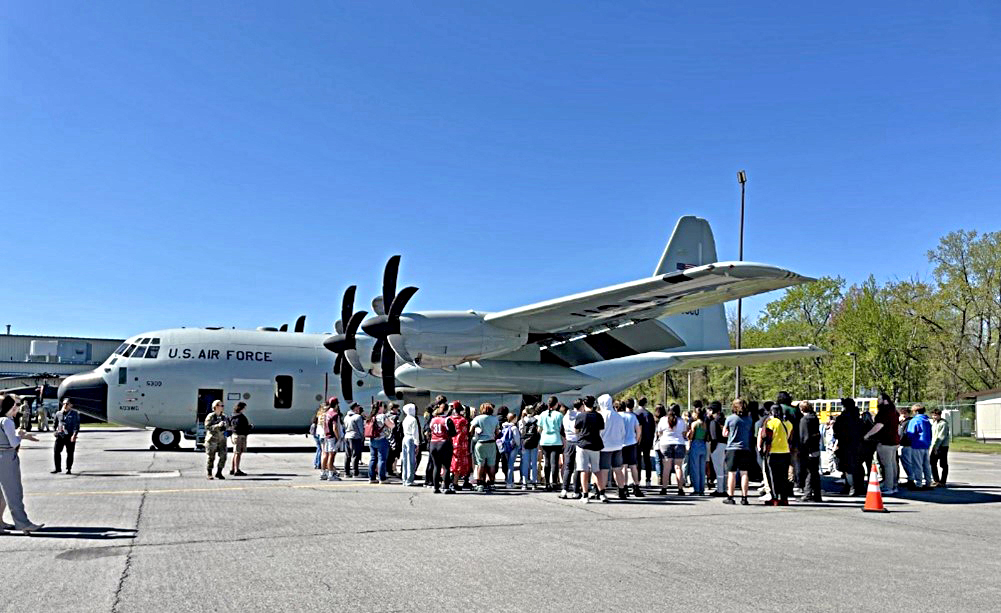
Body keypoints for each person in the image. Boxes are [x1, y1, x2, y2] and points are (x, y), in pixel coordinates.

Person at [0, 395, 43, 534]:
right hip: (6, 457)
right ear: (11, 406)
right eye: (17, 405)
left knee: (2, 494)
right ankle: (23, 523)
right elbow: (14, 443)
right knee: (14, 492)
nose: (18, 408)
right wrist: (21, 435)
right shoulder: (7, 421)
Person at [866, 394, 900, 495]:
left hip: (885, 441)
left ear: (884, 400)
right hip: (894, 441)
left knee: (887, 465)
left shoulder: (884, 411)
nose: (878, 401)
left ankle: (888, 487)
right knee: (893, 464)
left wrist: (868, 434)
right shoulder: (894, 411)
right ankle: (894, 485)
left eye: (879, 399)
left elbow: (879, 425)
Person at [574, 395, 606, 503]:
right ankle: (602, 493)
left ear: (584, 404)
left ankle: (585, 495)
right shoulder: (598, 416)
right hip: (595, 444)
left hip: (583, 444)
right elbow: (601, 429)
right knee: (596, 470)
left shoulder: (581, 416)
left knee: (584, 470)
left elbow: (576, 430)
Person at [759, 403, 793, 505]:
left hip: (773, 452)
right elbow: (790, 439)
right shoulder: (788, 423)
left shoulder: (771, 423)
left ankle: (774, 498)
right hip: (785, 452)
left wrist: (764, 451)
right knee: (783, 477)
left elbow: (767, 438)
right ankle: (784, 498)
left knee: (772, 477)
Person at [722, 398, 753, 505]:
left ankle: (730, 497)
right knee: (744, 473)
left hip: (732, 448)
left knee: (732, 473)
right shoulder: (749, 419)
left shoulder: (730, 418)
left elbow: (724, 433)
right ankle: (744, 497)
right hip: (745, 448)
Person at [597, 394, 628, 499]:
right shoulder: (618, 416)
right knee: (618, 469)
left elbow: (600, 432)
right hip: (618, 446)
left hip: (605, 447)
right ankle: (622, 490)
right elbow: (623, 432)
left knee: (604, 470)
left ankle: (602, 491)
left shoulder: (601, 416)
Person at [833, 398, 865, 496]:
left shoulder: (843, 418)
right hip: (858, 445)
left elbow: (837, 430)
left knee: (847, 467)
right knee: (858, 466)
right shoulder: (858, 417)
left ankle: (851, 487)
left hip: (846, 444)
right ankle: (859, 486)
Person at [656, 404, 688, 496]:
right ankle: (680, 489)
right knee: (678, 467)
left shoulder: (663, 420)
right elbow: (684, 434)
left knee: (666, 467)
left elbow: (659, 432)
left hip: (665, 443)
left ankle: (664, 488)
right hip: (679, 443)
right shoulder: (681, 421)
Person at [470, 403, 500, 493]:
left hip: (480, 443)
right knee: (491, 464)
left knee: (480, 464)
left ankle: (480, 484)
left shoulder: (478, 418)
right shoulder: (495, 419)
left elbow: (470, 430)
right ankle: (491, 483)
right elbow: (497, 432)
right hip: (491, 443)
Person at [618, 399, 644, 497]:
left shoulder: (619, 416)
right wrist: (636, 440)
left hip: (621, 443)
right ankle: (636, 486)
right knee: (633, 466)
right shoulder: (633, 416)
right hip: (632, 442)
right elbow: (638, 430)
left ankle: (624, 487)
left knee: (623, 466)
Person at [798, 400, 823, 502]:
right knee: (815, 472)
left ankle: (807, 494)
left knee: (808, 472)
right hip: (815, 447)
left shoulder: (804, 420)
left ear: (802, 409)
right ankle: (817, 494)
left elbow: (804, 437)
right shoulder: (815, 418)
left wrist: (802, 448)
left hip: (807, 449)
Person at [428, 405, 457, 493]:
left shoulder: (433, 419)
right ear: (446, 410)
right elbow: (453, 433)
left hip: (433, 443)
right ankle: (446, 487)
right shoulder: (447, 420)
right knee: (446, 466)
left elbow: (430, 430)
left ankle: (436, 487)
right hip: (444, 443)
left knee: (436, 466)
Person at [538, 397, 564, 492]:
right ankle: (554, 483)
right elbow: (561, 428)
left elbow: (539, 429)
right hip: (556, 440)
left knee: (547, 462)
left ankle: (547, 483)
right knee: (554, 463)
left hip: (545, 440)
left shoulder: (542, 414)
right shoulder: (559, 415)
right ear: (556, 404)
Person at [559, 400, 582, 499]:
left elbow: (562, 430)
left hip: (569, 442)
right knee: (577, 467)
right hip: (578, 442)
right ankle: (576, 491)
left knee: (568, 467)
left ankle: (564, 490)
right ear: (581, 406)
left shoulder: (565, 417)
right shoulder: (580, 416)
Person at [366, 402, 394, 484]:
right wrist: (391, 421)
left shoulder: (371, 416)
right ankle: (382, 478)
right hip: (382, 439)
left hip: (372, 439)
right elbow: (392, 425)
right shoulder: (382, 416)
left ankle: (372, 477)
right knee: (382, 459)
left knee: (373, 458)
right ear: (380, 407)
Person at [906, 404, 933, 489]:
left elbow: (910, 433)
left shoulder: (914, 420)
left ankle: (919, 484)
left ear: (916, 411)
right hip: (926, 445)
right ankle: (928, 482)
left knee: (917, 465)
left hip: (917, 444)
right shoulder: (927, 420)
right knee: (926, 465)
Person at [52, 398, 80, 474]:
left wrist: (74, 435)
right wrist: (55, 431)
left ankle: (69, 468)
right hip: (60, 435)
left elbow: (76, 426)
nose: (65, 405)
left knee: (70, 452)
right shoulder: (58, 413)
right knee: (56, 451)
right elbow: (54, 424)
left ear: (71, 405)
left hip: (69, 435)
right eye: (64, 404)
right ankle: (57, 468)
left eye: (67, 404)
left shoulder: (74, 414)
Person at [634, 397, 656, 487]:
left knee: (637, 460)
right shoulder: (649, 414)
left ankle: (637, 479)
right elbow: (653, 429)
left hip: (637, 440)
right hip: (647, 439)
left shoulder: (635, 414)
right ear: (645, 403)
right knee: (647, 460)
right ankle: (648, 480)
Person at [204, 400, 228, 480]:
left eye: (222, 406)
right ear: (216, 407)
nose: (222, 407)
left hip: (222, 440)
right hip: (212, 439)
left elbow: (227, 426)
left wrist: (226, 427)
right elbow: (207, 427)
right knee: (211, 457)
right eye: (221, 405)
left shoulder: (224, 417)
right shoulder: (210, 416)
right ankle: (209, 473)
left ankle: (219, 472)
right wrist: (218, 425)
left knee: (223, 456)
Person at [450, 403, 472, 490]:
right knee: (458, 464)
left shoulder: (449, 419)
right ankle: (455, 483)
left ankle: (448, 482)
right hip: (460, 444)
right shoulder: (463, 420)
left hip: (450, 443)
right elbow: (465, 433)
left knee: (449, 463)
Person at [687, 406, 708, 496]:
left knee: (695, 468)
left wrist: (688, 435)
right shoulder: (705, 424)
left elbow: (691, 436)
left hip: (695, 444)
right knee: (702, 468)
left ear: (696, 414)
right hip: (703, 444)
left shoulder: (694, 424)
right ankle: (702, 489)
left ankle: (697, 489)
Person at [518, 405, 540, 490]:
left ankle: (524, 482)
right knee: (534, 463)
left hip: (525, 443)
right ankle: (534, 482)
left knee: (525, 463)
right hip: (534, 443)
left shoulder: (522, 421)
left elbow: (521, 433)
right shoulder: (537, 420)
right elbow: (539, 432)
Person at [707, 402, 726, 496]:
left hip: (717, 446)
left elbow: (714, 438)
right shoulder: (724, 420)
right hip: (726, 445)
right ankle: (724, 488)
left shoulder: (713, 422)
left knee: (718, 469)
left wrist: (712, 450)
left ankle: (720, 490)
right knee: (724, 469)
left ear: (712, 410)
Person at [321, 399, 343, 481]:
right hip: (332, 437)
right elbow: (335, 428)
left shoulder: (327, 413)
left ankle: (323, 473)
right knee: (331, 455)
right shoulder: (334, 414)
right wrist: (338, 437)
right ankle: (331, 474)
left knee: (325, 455)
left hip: (326, 436)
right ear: (336, 404)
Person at [229, 402, 252, 476]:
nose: (245, 409)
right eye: (244, 407)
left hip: (235, 435)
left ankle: (233, 468)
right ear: (241, 408)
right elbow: (241, 427)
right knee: (238, 453)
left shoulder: (233, 416)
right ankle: (237, 470)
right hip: (240, 436)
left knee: (235, 453)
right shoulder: (240, 417)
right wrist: (249, 427)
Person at [498, 412, 521, 489]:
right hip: (513, 447)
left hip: (505, 446)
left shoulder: (504, 426)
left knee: (507, 464)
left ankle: (508, 481)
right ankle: (510, 482)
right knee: (511, 465)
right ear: (514, 419)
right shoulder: (514, 427)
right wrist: (518, 446)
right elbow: (517, 440)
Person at [399, 403, 420, 486]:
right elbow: (415, 433)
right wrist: (417, 443)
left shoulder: (405, 419)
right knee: (411, 460)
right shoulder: (413, 419)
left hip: (405, 438)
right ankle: (410, 479)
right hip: (411, 439)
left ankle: (404, 478)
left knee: (405, 459)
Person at [343, 403, 365, 478]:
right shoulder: (358, 417)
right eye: (358, 407)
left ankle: (346, 472)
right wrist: (363, 437)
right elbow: (361, 429)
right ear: (355, 408)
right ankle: (356, 473)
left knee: (347, 455)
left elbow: (345, 427)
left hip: (347, 436)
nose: (359, 409)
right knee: (355, 455)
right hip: (355, 437)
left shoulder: (346, 417)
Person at [930, 408, 950, 487]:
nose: (934, 417)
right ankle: (936, 480)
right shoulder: (934, 423)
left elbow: (941, 437)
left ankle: (943, 481)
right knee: (932, 463)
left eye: (936, 415)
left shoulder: (943, 424)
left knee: (943, 464)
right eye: (933, 415)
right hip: (935, 445)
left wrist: (936, 447)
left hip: (942, 446)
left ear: (939, 415)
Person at [897, 405, 916, 489]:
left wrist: (899, 440)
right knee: (904, 462)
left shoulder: (908, 422)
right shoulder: (902, 422)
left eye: (905, 413)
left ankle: (911, 479)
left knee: (907, 462)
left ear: (908, 413)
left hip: (906, 444)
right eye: (902, 413)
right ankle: (910, 478)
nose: (903, 415)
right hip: (902, 444)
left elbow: (904, 434)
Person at [309, 406, 324, 470]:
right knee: (320, 449)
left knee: (318, 448)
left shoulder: (316, 416)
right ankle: (318, 463)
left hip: (315, 433)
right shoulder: (321, 416)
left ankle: (316, 463)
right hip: (318, 433)